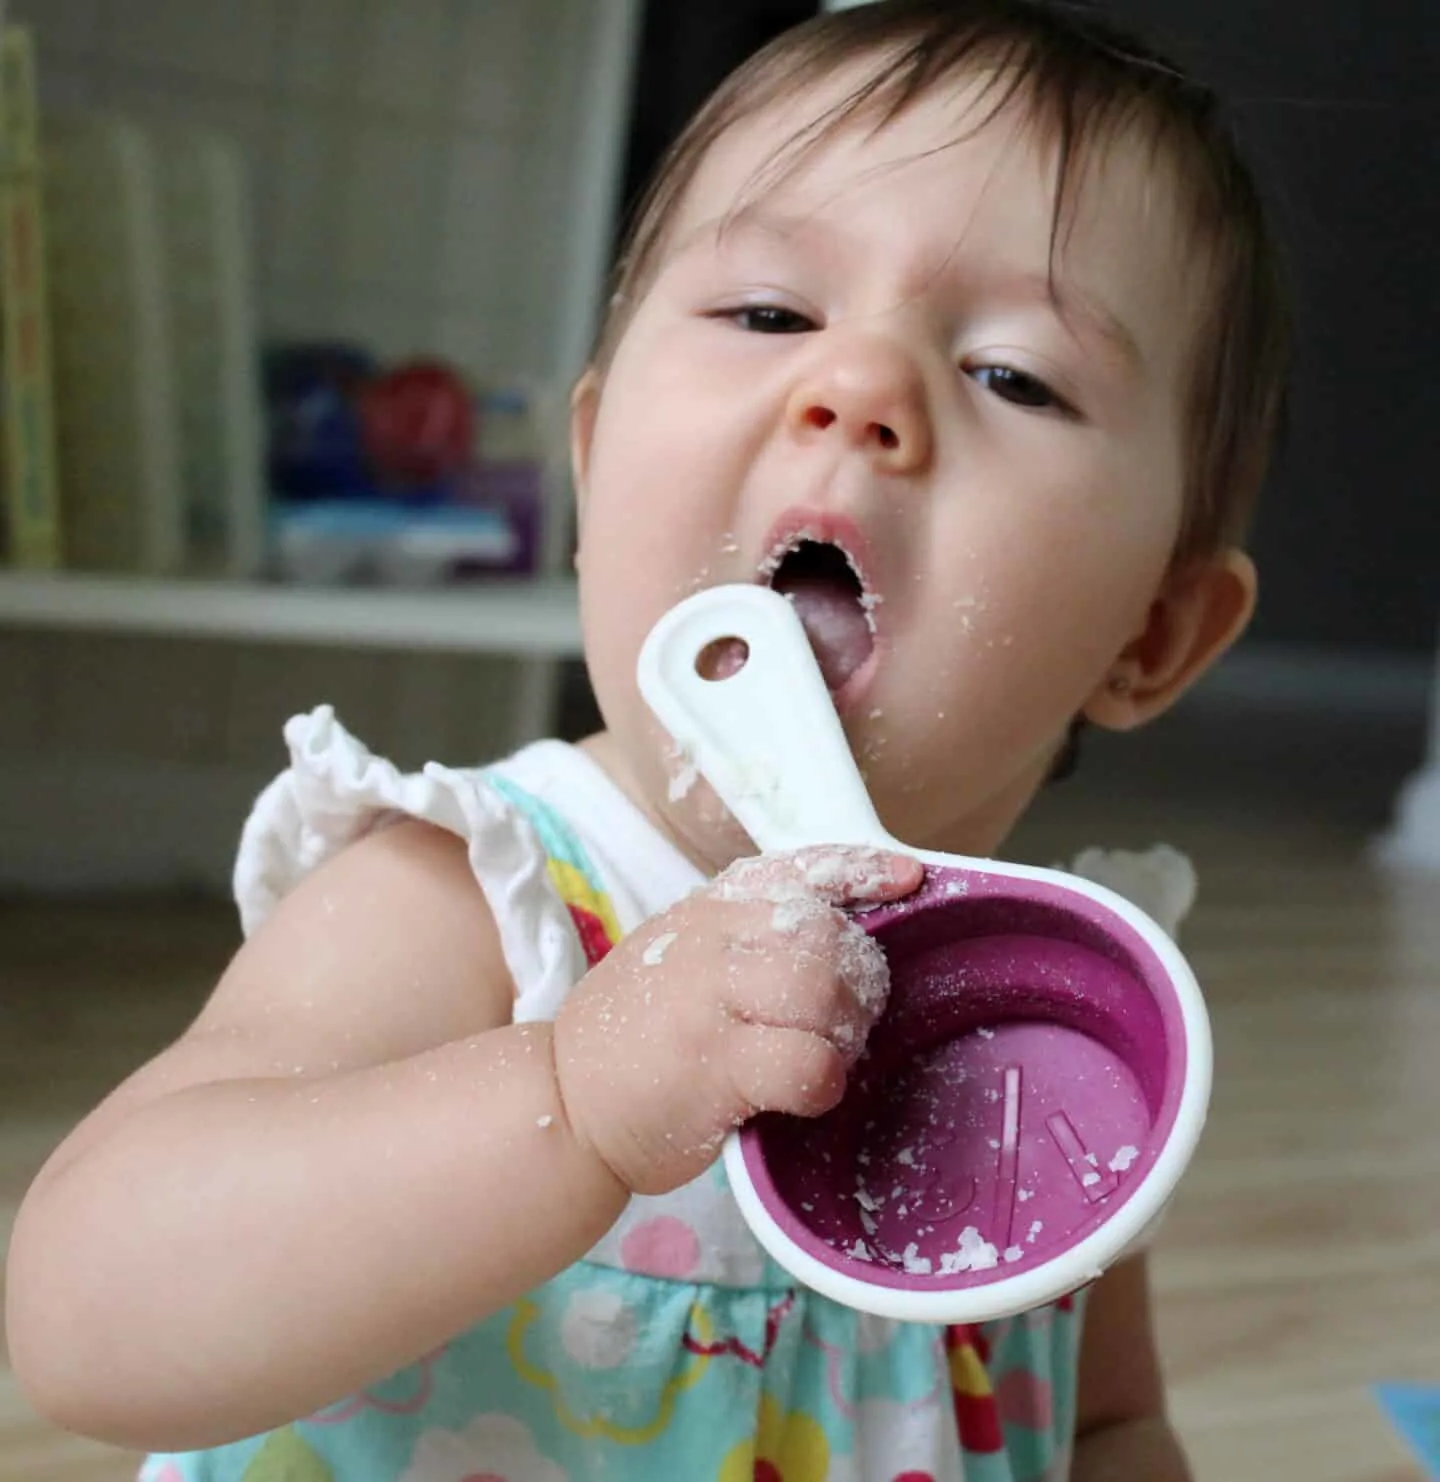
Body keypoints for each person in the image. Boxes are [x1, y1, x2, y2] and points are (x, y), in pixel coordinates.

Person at [5, 1, 1290, 1477]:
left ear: (1154, 634)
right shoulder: (475, 901)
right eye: (771, 314)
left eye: (1012, 374)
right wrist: (574, 1098)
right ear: (593, 456)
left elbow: (1111, 1418)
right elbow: (90, 1316)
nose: (859, 390)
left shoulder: (1048, 1038)